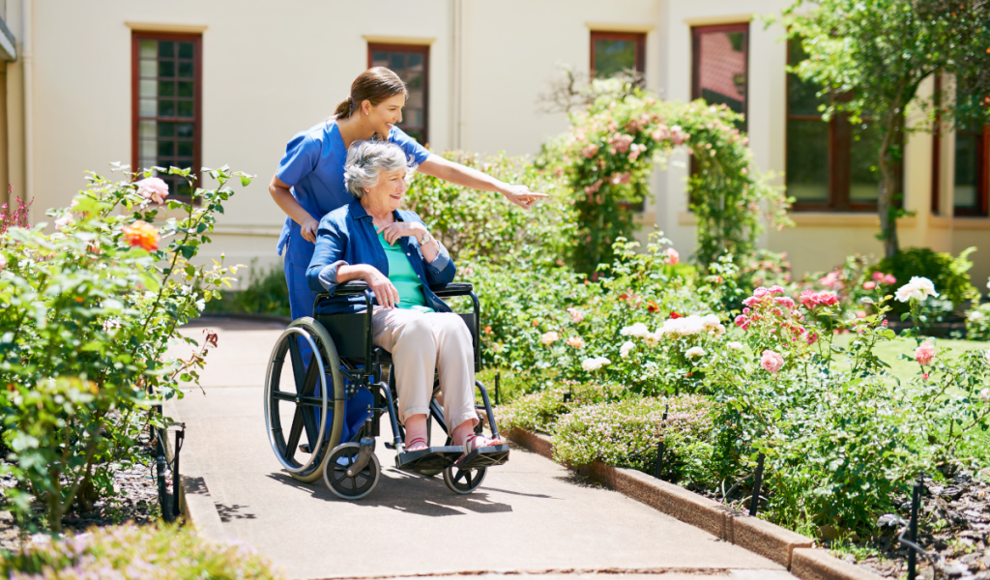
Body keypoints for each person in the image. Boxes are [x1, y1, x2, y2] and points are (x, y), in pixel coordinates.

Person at [271, 66, 545, 323]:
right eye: (392, 109)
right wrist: (305, 219)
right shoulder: (314, 142)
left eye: (400, 109)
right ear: (367, 106)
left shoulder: (389, 136)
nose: (399, 118)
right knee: (313, 338)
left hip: (361, 246)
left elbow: (445, 169)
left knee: (356, 342)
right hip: (313, 244)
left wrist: (504, 188)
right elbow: (278, 187)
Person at [307, 140, 502, 456]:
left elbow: (444, 276)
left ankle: (466, 435)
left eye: (404, 177)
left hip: (421, 312)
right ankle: (415, 437)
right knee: (415, 326)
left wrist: (420, 234)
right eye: (393, 178)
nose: (403, 185)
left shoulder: (409, 218)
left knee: (453, 325)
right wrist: (365, 271)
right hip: (374, 315)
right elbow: (317, 274)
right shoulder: (340, 221)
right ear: (368, 183)